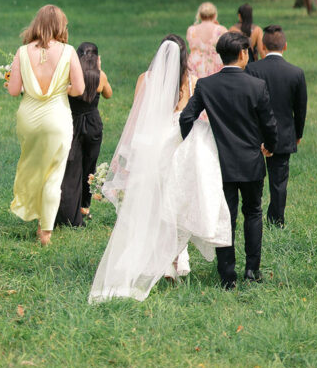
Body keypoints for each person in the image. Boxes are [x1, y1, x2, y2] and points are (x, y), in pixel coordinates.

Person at [89, 36, 231, 302]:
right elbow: (191, 117)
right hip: (180, 148)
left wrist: (128, 156)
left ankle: (160, 263)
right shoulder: (191, 80)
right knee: (174, 206)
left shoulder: (145, 79)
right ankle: (174, 261)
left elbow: (136, 118)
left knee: (153, 207)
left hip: (151, 146)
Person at [180, 31, 278, 289]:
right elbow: (269, 124)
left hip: (219, 164)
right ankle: (252, 269)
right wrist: (269, 146)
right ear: (244, 54)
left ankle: (227, 276)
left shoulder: (206, 85)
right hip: (251, 162)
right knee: (254, 212)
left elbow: (185, 118)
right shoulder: (257, 86)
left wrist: (195, 147)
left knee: (226, 217)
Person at [7, 4, 85, 246]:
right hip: (57, 118)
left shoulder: (22, 52)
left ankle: (33, 210)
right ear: (61, 26)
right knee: (54, 174)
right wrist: (63, 89)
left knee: (32, 166)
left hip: (29, 118)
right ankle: (46, 232)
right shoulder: (69, 51)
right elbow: (80, 89)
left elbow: (13, 90)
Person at [245, 24, 307, 227]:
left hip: (254, 134)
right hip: (283, 133)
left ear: (262, 46)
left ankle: (253, 214)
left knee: (253, 179)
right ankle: (276, 220)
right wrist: (298, 132)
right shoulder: (295, 73)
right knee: (279, 181)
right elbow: (300, 108)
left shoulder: (252, 69)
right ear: (285, 46)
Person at [54, 42, 112, 228]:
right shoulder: (100, 77)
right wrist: (100, 73)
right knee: (89, 165)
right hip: (93, 124)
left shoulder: (72, 76)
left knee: (72, 167)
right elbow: (108, 94)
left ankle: (68, 209)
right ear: (96, 59)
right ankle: (84, 206)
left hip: (73, 123)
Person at [186, 1, 227, 78]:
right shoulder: (221, 30)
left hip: (195, 67)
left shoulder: (191, 30)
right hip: (215, 66)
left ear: (200, 15)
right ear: (214, 15)